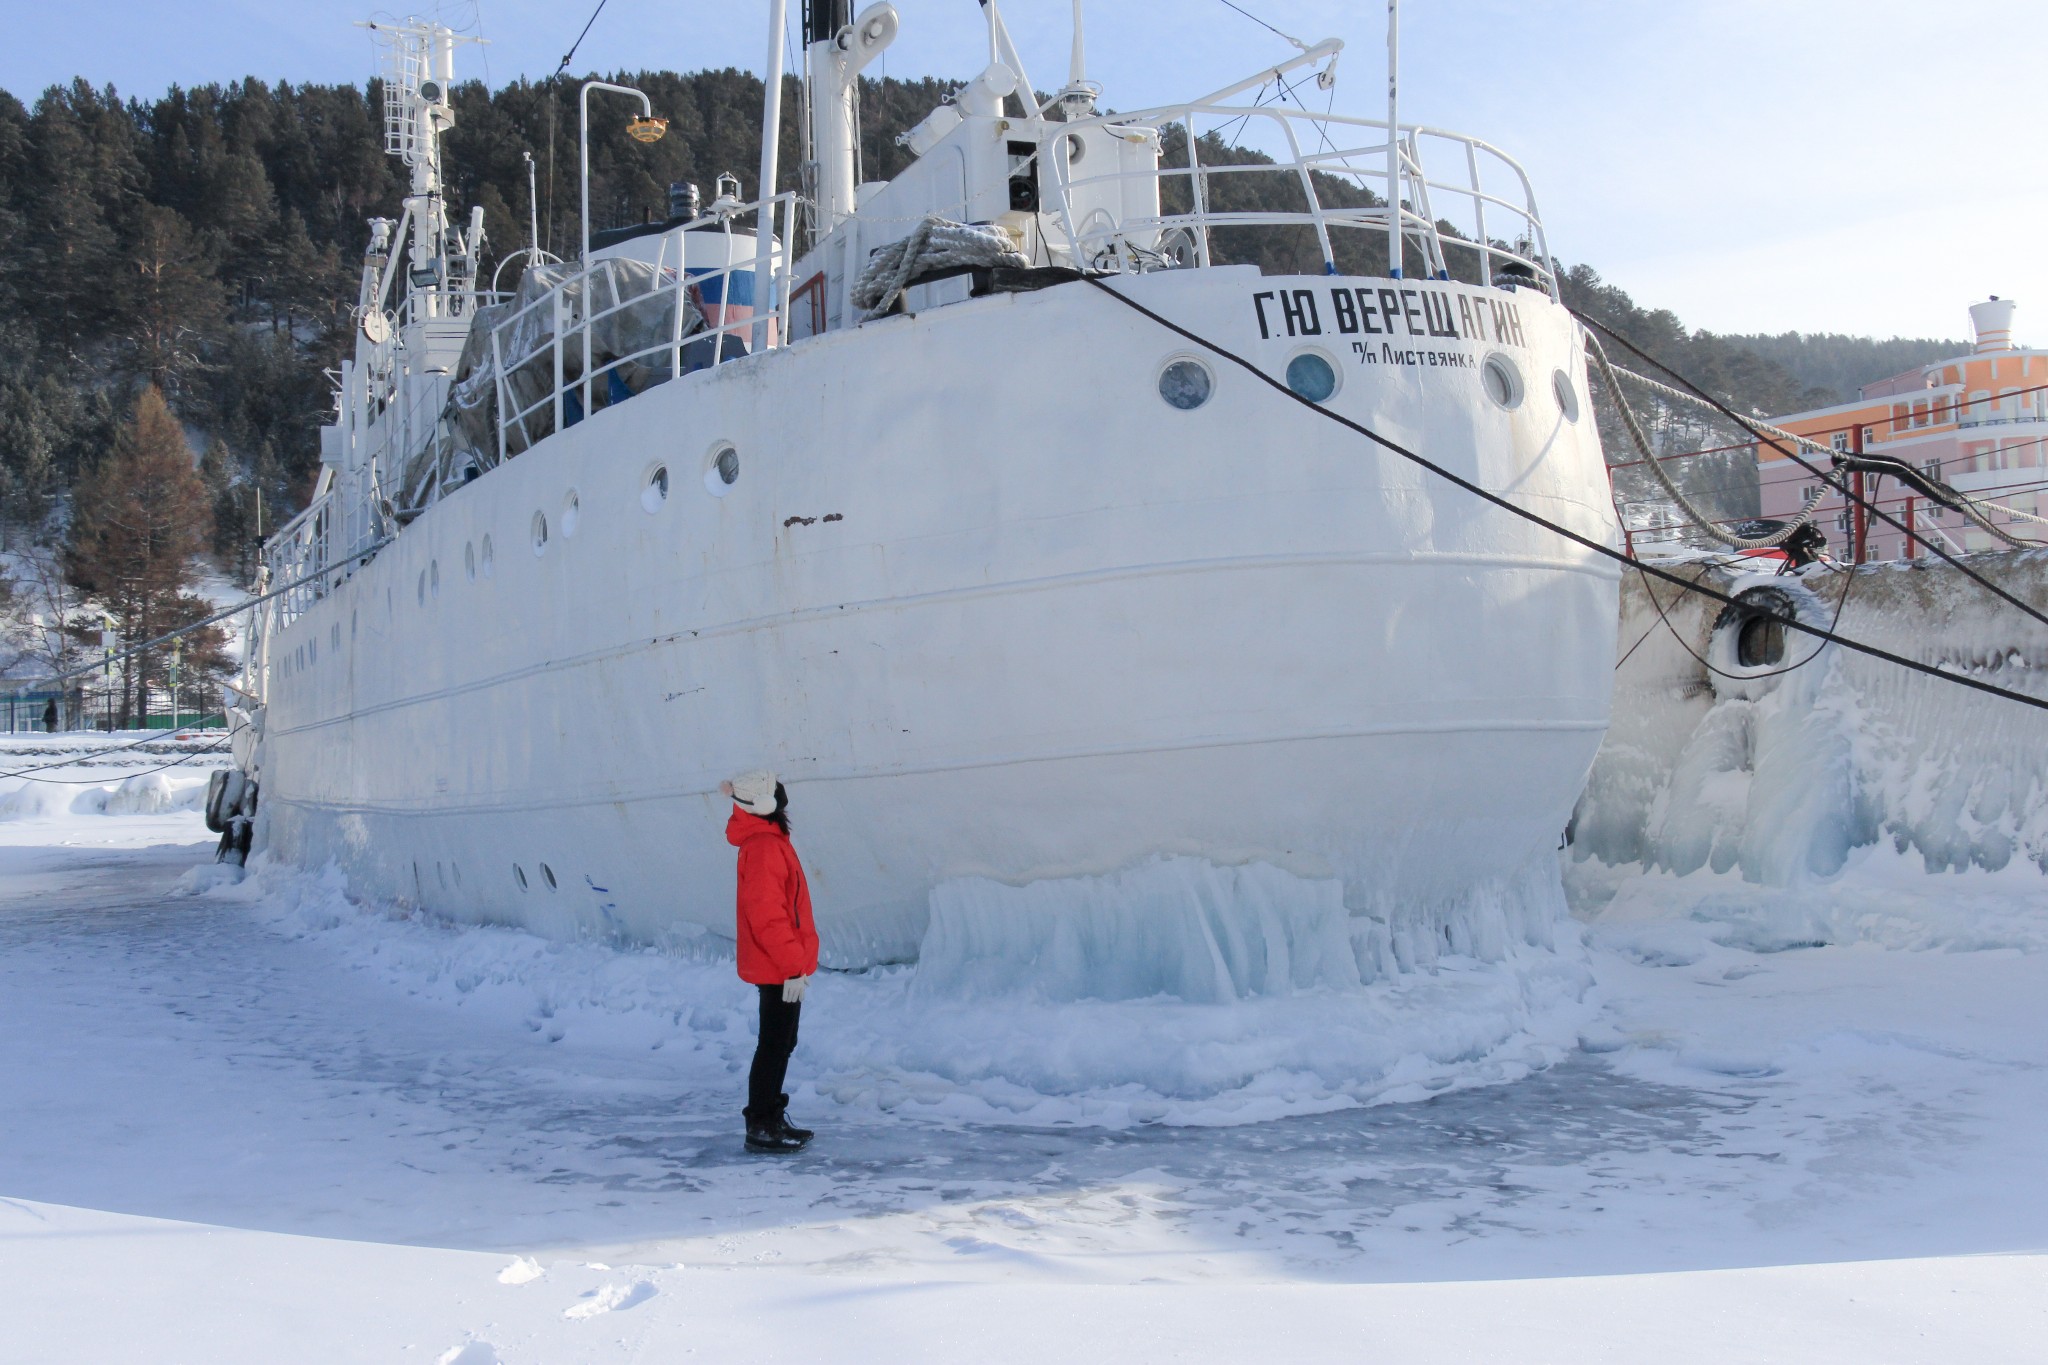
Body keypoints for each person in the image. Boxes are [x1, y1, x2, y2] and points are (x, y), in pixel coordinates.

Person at [721, 770, 819, 1153]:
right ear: (764, 805)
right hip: (779, 966)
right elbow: (769, 916)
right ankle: (762, 1123)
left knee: (780, 1042)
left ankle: (770, 1118)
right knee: (775, 1044)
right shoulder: (764, 846)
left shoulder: (768, 840)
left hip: (781, 964)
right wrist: (793, 965)